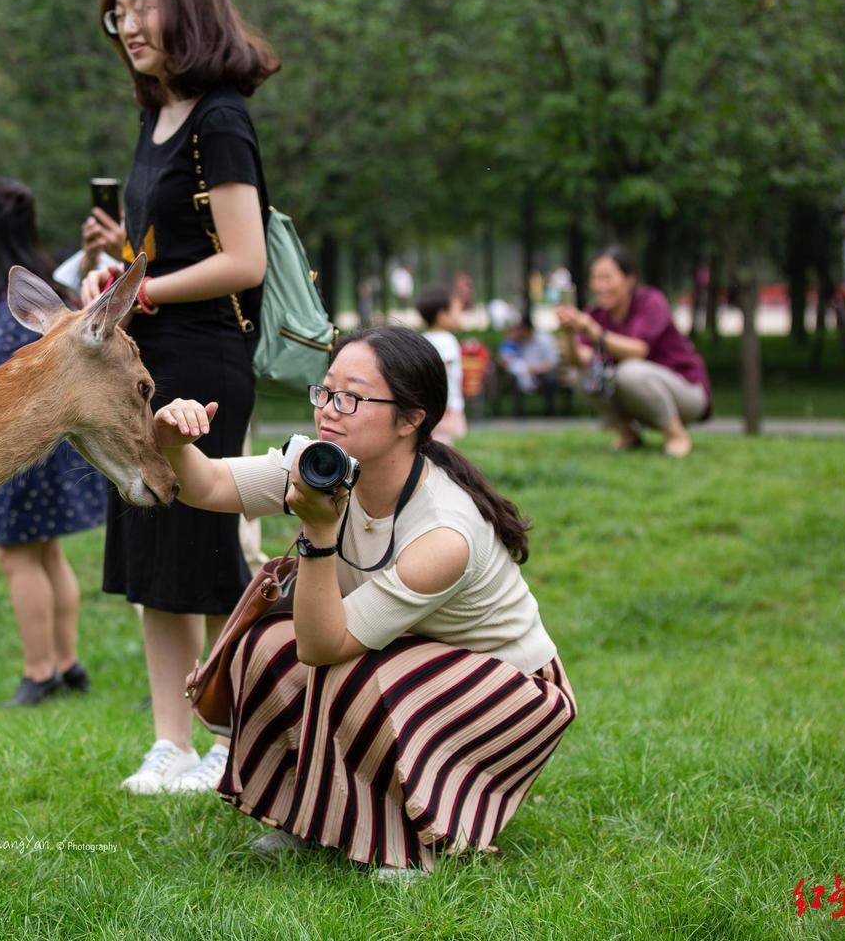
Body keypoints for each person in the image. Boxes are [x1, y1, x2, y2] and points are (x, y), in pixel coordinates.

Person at [152, 325, 575, 880]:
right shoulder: (319, 465)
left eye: (351, 397)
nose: (329, 410)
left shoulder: (444, 534)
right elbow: (206, 486)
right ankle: (305, 820)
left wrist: (319, 536)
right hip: (407, 658)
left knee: (351, 675)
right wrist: (174, 441)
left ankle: (411, 843)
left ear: (410, 419)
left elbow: (325, 646)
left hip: (508, 692)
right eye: (324, 392)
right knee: (267, 648)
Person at [78, 0, 274, 795]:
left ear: (188, 5)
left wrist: (146, 290)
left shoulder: (221, 118)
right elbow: (159, 249)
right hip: (147, 362)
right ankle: (172, 747)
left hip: (205, 360)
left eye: (143, 6)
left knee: (204, 545)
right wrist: (116, 274)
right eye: (118, 12)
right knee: (153, 550)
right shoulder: (157, 117)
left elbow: (245, 259)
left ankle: (238, 739)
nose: (128, 26)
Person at [0, 178, 106, 705]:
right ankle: (67, 664)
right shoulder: (46, 283)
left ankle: (38, 671)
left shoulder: (11, 291)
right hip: (53, 439)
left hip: (18, 447)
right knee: (47, 554)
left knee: (18, 558)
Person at [556, 246, 711, 457]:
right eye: (595, 278)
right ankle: (628, 434)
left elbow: (638, 350)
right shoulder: (596, 314)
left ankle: (676, 435)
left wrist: (593, 331)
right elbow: (582, 360)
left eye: (608, 278)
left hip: (687, 392)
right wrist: (570, 336)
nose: (600, 286)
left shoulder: (651, 302)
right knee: (582, 374)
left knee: (629, 371)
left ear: (629, 279)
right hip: (636, 391)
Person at [415, 285, 466, 443]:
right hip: (446, 409)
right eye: (457, 310)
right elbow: (439, 375)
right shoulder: (446, 340)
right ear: (443, 315)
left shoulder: (423, 339)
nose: (461, 315)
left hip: (430, 407)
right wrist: (445, 406)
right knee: (445, 448)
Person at [498, 320, 562, 415]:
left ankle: (550, 413)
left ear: (526, 329)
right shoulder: (516, 342)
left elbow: (553, 362)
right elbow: (507, 360)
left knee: (550, 379)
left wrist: (533, 369)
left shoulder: (544, 340)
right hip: (522, 374)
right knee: (513, 380)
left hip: (542, 373)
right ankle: (518, 413)